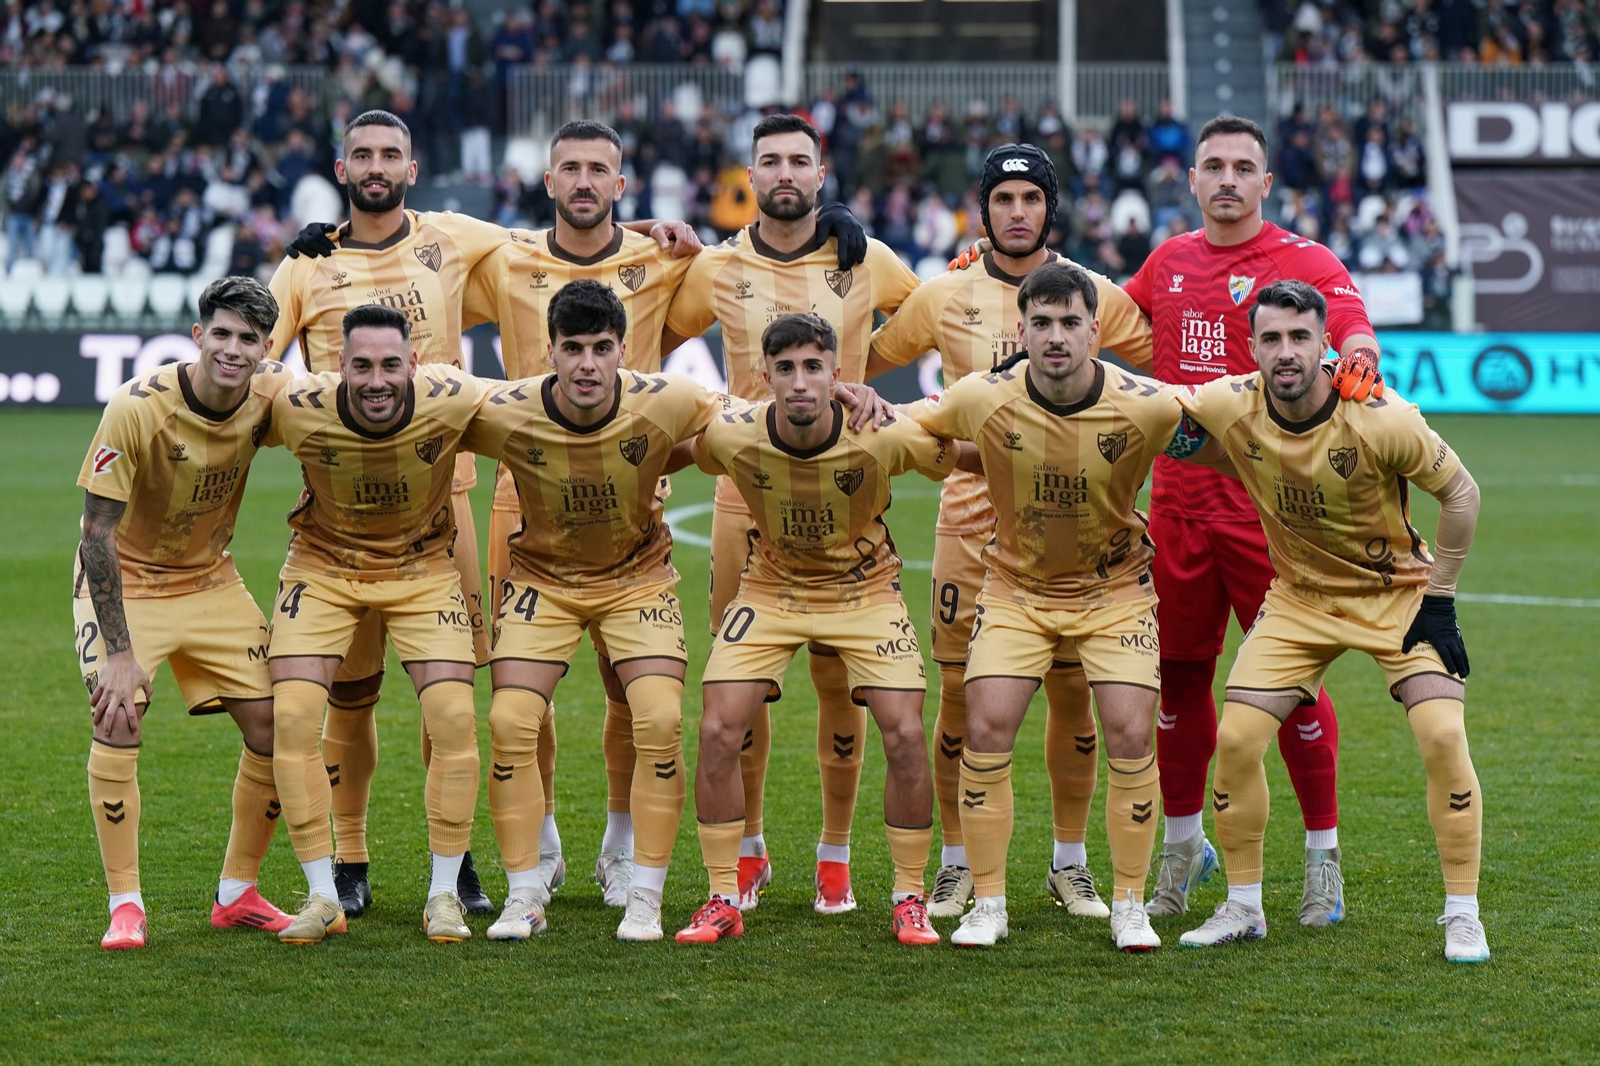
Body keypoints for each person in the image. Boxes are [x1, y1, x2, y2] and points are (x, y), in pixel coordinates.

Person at [275, 113, 706, 918]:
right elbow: (259, 363)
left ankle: (507, 858)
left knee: (527, 693)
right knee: (384, 697)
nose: (377, 167)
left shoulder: (464, 237)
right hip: (429, 504)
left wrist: (653, 228)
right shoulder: (320, 262)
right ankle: (381, 855)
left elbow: (588, 233)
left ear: (413, 164)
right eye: (362, 155)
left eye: (391, 154)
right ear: (342, 167)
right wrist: (311, 244)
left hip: (470, 496)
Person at [952, 115, 1380, 921]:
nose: (1226, 179)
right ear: (1191, 180)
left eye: (1242, 167)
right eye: (1211, 165)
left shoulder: (1306, 262)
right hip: (1178, 511)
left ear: (1265, 181)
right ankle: (1182, 855)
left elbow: (1351, 323)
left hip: (1272, 513)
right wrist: (991, 267)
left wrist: (1357, 349)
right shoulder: (1171, 260)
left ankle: (1323, 858)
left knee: (1294, 685)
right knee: (1176, 685)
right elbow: (1079, 304)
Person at [459, 119, 870, 909]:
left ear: (622, 185)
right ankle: (542, 846)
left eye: (600, 170)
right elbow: (420, 256)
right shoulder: (504, 258)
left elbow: (770, 272)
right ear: (548, 183)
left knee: (627, 687)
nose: (583, 181)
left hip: (631, 502)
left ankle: (618, 846)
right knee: (522, 692)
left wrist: (833, 227)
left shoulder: (666, 263)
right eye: (569, 169)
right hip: (524, 495)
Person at [868, 143, 1154, 920]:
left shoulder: (1096, 294)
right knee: (961, 700)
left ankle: (1071, 863)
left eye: (1031, 199)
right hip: (971, 530)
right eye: (1003, 200)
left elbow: (1158, 376)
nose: (1017, 213)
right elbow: (864, 365)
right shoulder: (943, 292)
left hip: (1078, 536)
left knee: (1073, 695)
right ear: (982, 209)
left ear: (1050, 208)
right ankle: (959, 864)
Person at [1168, 280, 1487, 963]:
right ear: (1251, 346)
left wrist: (1443, 597)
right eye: (1272, 339)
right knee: (1237, 739)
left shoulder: (1380, 416)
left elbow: (1461, 493)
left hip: (1396, 593)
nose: (1286, 353)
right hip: (1300, 599)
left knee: (1441, 734)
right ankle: (1244, 907)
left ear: (1325, 344)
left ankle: (1463, 912)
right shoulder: (1229, 402)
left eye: (1301, 338)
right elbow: (1155, 419)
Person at [905, 261, 1207, 951]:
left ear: (1095, 331)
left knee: (1131, 733)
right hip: (1017, 589)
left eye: (1070, 322)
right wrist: (856, 407)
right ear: (1022, 331)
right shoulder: (982, 396)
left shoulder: (1147, 403)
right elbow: (910, 430)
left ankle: (1129, 902)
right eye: (1041, 324)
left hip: (1114, 592)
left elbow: (1228, 443)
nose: (1056, 336)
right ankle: (988, 903)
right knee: (986, 725)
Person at [663, 113, 919, 915]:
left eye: (798, 161)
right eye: (769, 160)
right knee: (744, 693)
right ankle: (748, 848)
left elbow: (936, 310)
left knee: (841, 682)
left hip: (845, 501)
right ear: (750, 173)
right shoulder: (716, 265)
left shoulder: (866, 258)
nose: (784, 173)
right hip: (748, 495)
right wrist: (649, 238)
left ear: (820, 172)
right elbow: (650, 324)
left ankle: (835, 855)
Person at [675, 313, 957, 946]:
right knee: (718, 728)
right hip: (771, 590)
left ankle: (908, 897)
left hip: (865, 591)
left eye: (813, 367)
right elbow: (666, 453)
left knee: (907, 735)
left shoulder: (882, 434)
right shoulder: (733, 435)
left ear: (837, 374)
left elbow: (964, 452)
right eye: (786, 369)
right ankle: (722, 895)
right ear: (764, 377)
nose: (800, 382)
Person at [74, 277, 295, 949]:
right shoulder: (136, 408)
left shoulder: (272, 394)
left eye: (248, 339)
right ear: (198, 336)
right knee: (119, 713)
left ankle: (238, 892)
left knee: (280, 728)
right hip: (128, 582)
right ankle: (126, 904)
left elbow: (338, 421)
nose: (232, 350)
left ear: (266, 348)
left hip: (209, 581)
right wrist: (119, 654)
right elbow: (95, 535)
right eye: (221, 334)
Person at [264, 304, 491, 945]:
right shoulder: (295, 403)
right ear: (337, 366)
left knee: (451, 717)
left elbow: (540, 418)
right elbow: (216, 426)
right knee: (293, 718)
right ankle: (321, 895)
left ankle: (444, 894)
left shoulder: (454, 396)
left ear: (414, 364)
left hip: (422, 571)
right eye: (360, 366)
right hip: (323, 567)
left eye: (391, 365)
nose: (376, 380)